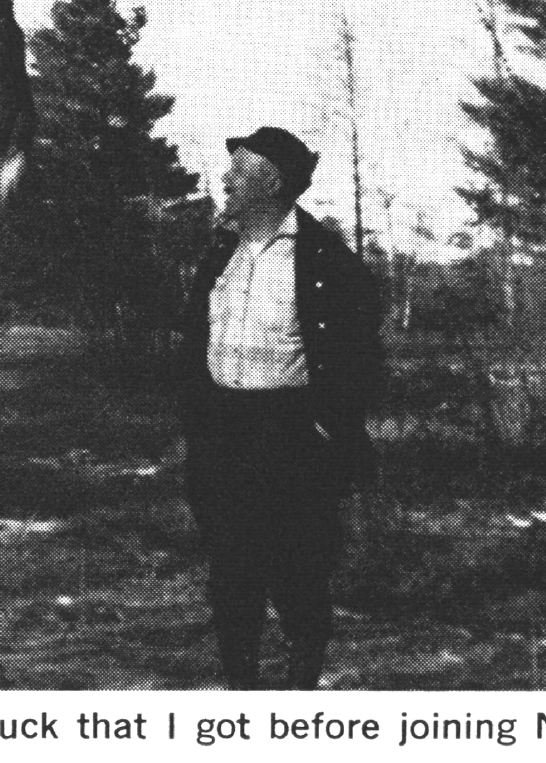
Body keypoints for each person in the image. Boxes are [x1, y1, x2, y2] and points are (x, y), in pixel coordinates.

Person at [173, 127, 382, 690]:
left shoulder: (324, 260)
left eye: (238, 173)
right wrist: (195, 422)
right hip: (223, 433)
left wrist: (327, 425)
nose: (225, 181)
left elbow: (362, 353)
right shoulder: (222, 253)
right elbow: (195, 344)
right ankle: (242, 694)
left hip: (292, 437)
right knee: (230, 573)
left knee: (298, 573)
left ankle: (299, 701)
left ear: (271, 185)